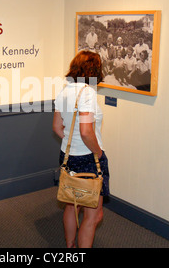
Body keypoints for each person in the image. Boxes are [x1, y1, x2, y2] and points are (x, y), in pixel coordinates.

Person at [53, 50, 110, 248]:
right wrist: (99, 153)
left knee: (71, 205)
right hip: (88, 159)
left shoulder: (64, 91)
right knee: (94, 214)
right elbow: (86, 131)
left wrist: (72, 142)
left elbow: (57, 127)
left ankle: (70, 247)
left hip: (67, 156)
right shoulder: (87, 93)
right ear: (94, 70)